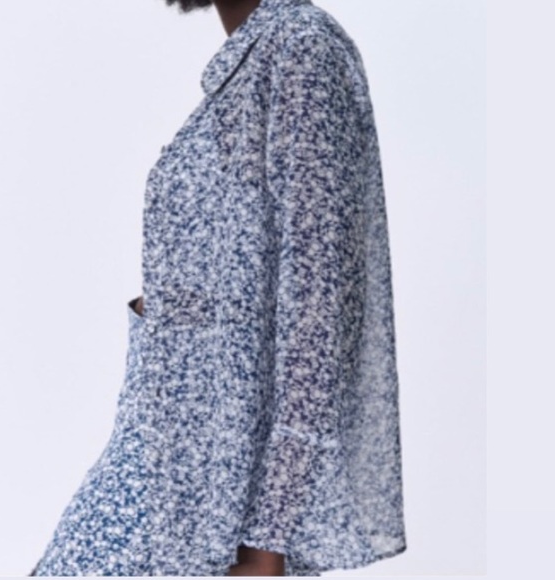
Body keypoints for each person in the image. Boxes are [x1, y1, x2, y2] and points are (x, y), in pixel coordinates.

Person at [29, 0, 407, 575]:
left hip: (213, 501)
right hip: (168, 465)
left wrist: (266, 543)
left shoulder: (301, 48)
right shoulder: (257, 56)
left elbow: (318, 316)